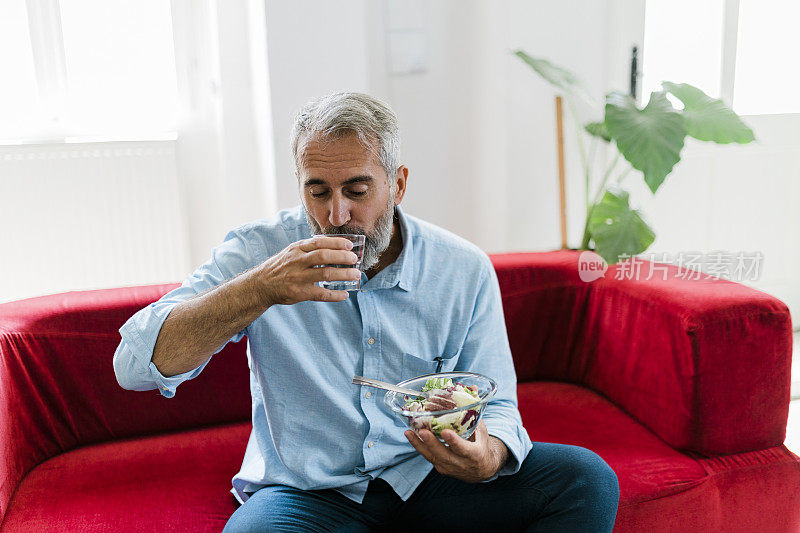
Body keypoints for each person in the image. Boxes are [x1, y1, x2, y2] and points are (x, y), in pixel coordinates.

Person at [113, 92, 619, 532]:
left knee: (585, 479)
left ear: (397, 185)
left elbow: (498, 404)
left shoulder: (462, 268)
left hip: (430, 479)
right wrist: (260, 289)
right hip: (311, 495)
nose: (337, 215)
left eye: (357, 191)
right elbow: (132, 367)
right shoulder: (259, 254)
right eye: (318, 190)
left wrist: (485, 460)